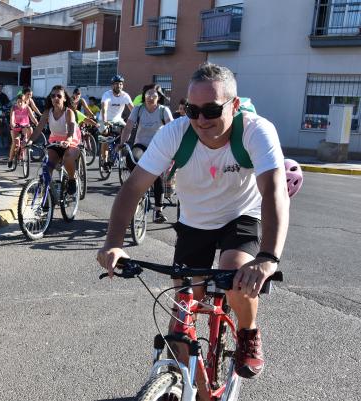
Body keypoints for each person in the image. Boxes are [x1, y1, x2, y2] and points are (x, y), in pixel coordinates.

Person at [97, 62, 290, 380]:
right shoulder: (174, 133)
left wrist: (267, 258)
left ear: (235, 105)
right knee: (184, 308)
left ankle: (248, 332)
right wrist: (113, 244)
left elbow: (273, 192)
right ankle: (182, 384)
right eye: (192, 110)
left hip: (240, 215)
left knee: (236, 276)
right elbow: (133, 189)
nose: (201, 120)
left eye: (212, 110)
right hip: (194, 221)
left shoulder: (256, 130)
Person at [119, 84, 173, 223]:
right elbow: (128, 127)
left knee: (157, 176)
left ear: (159, 97)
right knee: (133, 159)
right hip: (141, 144)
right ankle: (138, 187)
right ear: (144, 96)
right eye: (148, 94)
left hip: (158, 146)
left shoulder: (163, 110)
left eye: (154, 94)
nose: (150, 97)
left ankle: (158, 211)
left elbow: (172, 129)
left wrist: (173, 148)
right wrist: (122, 142)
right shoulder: (138, 109)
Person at [30, 85, 81, 195]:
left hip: (71, 142)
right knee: (47, 166)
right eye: (53, 96)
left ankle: (72, 179)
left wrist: (68, 140)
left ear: (64, 98)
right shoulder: (48, 112)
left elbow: (71, 127)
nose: (55, 98)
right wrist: (29, 141)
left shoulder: (68, 112)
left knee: (67, 158)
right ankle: (46, 199)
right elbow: (39, 128)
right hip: (55, 143)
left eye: (59, 96)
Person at [99, 75, 134, 165]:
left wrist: (136, 120)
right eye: (116, 84)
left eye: (120, 84)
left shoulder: (125, 96)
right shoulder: (107, 94)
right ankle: (105, 160)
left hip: (118, 120)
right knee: (105, 135)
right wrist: (105, 120)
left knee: (127, 131)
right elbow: (104, 108)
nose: (118, 86)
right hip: (105, 119)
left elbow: (133, 109)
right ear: (112, 85)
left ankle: (118, 148)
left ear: (122, 85)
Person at [8, 94, 39, 168]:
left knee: (26, 138)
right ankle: (10, 159)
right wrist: (12, 123)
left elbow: (32, 117)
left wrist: (37, 123)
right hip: (15, 127)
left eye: (21, 102)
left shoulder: (27, 108)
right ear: (16, 102)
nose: (20, 103)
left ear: (25, 101)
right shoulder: (14, 108)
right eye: (18, 102)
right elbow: (12, 118)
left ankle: (23, 151)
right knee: (15, 143)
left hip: (25, 126)